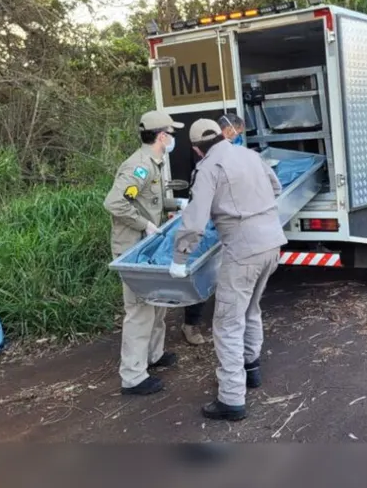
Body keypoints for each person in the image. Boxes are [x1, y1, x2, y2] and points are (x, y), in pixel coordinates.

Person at [170, 118, 286, 421]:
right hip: (272, 243)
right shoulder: (249, 154)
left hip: (243, 250)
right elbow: (276, 186)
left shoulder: (208, 168)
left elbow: (194, 222)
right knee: (250, 309)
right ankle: (252, 369)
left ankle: (232, 399)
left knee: (226, 322)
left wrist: (179, 259)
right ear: (222, 135)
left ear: (197, 149)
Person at [104, 110, 187, 396]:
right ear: (162, 136)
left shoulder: (155, 162)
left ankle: (154, 354)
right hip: (132, 248)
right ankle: (133, 376)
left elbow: (147, 199)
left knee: (157, 301)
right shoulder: (138, 167)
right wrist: (147, 225)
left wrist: (174, 205)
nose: (174, 138)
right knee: (139, 310)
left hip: (147, 245)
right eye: (172, 134)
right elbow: (115, 204)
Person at [180, 112, 248, 346]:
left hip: (226, 222)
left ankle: (226, 320)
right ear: (226, 131)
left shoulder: (237, 156)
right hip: (209, 220)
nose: (238, 138)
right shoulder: (204, 161)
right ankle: (191, 323)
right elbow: (199, 208)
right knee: (202, 271)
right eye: (236, 133)